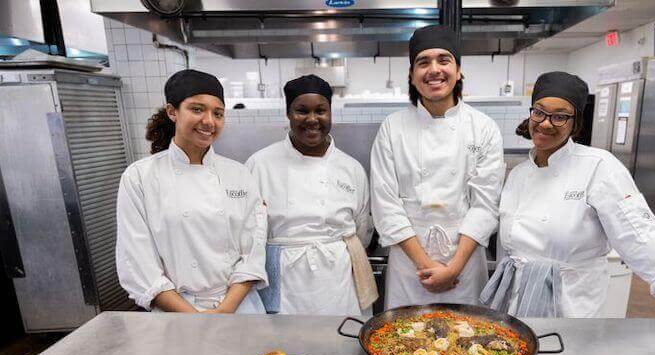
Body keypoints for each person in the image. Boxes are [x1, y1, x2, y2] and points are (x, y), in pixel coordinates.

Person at [481, 71, 655, 333]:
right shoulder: (518, 175)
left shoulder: (599, 167)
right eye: (539, 112)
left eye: (560, 116)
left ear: (576, 123)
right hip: (514, 305)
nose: (546, 123)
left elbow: (640, 236)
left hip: (570, 307)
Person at [370, 25, 505, 309]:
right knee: (405, 343)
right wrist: (424, 264)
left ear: (458, 71)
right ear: (411, 75)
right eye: (423, 62)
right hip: (410, 266)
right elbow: (386, 206)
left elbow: (485, 205)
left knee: (470, 346)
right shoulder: (392, 128)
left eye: (444, 60)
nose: (434, 69)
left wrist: (452, 269)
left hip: (464, 265)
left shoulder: (483, 128)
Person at [116, 69, 268, 313]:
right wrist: (194, 318)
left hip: (239, 309)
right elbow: (137, 262)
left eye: (218, 113)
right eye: (197, 109)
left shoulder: (239, 174)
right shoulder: (139, 177)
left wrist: (224, 311)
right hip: (174, 313)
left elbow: (254, 251)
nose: (209, 121)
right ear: (172, 112)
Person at [245, 75, 375, 315]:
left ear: (331, 113)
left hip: (338, 276)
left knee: (340, 340)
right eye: (302, 111)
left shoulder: (351, 168)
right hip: (284, 279)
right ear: (288, 114)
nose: (312, 119)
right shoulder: (259, 164)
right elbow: (249, 231)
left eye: (321, 111)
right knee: (284, 347)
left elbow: (362, 229)